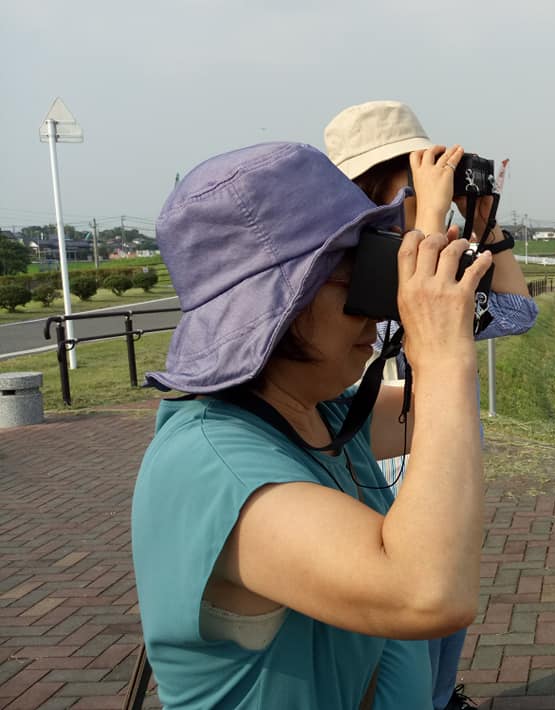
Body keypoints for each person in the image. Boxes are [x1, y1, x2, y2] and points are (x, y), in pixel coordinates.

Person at [131, 141, 492, 708]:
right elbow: (428, 593)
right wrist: (441, 352)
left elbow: (444, 423)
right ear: (278, 308)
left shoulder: (313, 413)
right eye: (354, 277)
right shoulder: (214, 466)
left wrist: (441, 251)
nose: (376, 306)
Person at [324, 100, 537, 710]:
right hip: (378, 457)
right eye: (414, 177)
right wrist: (432, 216)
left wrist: (485, 225)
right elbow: (398, 300)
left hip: (442, 450)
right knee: (405, 622)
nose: (429, 188)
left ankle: (442, 697)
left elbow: (517, 313)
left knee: (447, 614)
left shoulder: (436, 259)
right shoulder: (343, 264)